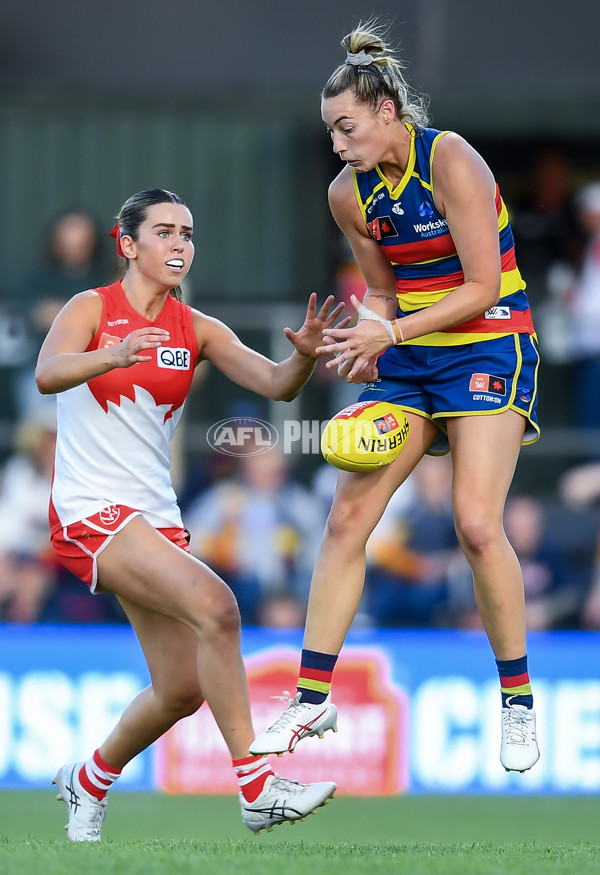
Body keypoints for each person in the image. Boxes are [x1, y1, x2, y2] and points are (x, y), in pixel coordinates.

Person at [250, 21, 541, 774]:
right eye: (330, 131)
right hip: (410, 357)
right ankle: (312, 695)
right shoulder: (348, 193)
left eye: (346, 127)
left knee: (477, 524)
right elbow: (380, 290)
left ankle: (516, 700)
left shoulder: (453, 160)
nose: (338, 142)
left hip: (490, 341)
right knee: (347, 515)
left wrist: (392, 331)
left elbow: (480, 287)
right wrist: (361, 339)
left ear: (386, 112)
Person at [36, 188, 341, 842]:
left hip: (153, 514)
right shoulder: (90, 308)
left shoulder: (195, 327)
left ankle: (86, 779)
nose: (180, 244)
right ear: (128, 243)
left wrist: (307, 355)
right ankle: (258, 787)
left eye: (188, 233)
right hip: (91, 509)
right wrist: (110, 355)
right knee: (220, 606)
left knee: (180, 688)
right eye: (165, 231)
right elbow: (48, 372)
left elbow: (275, 382)